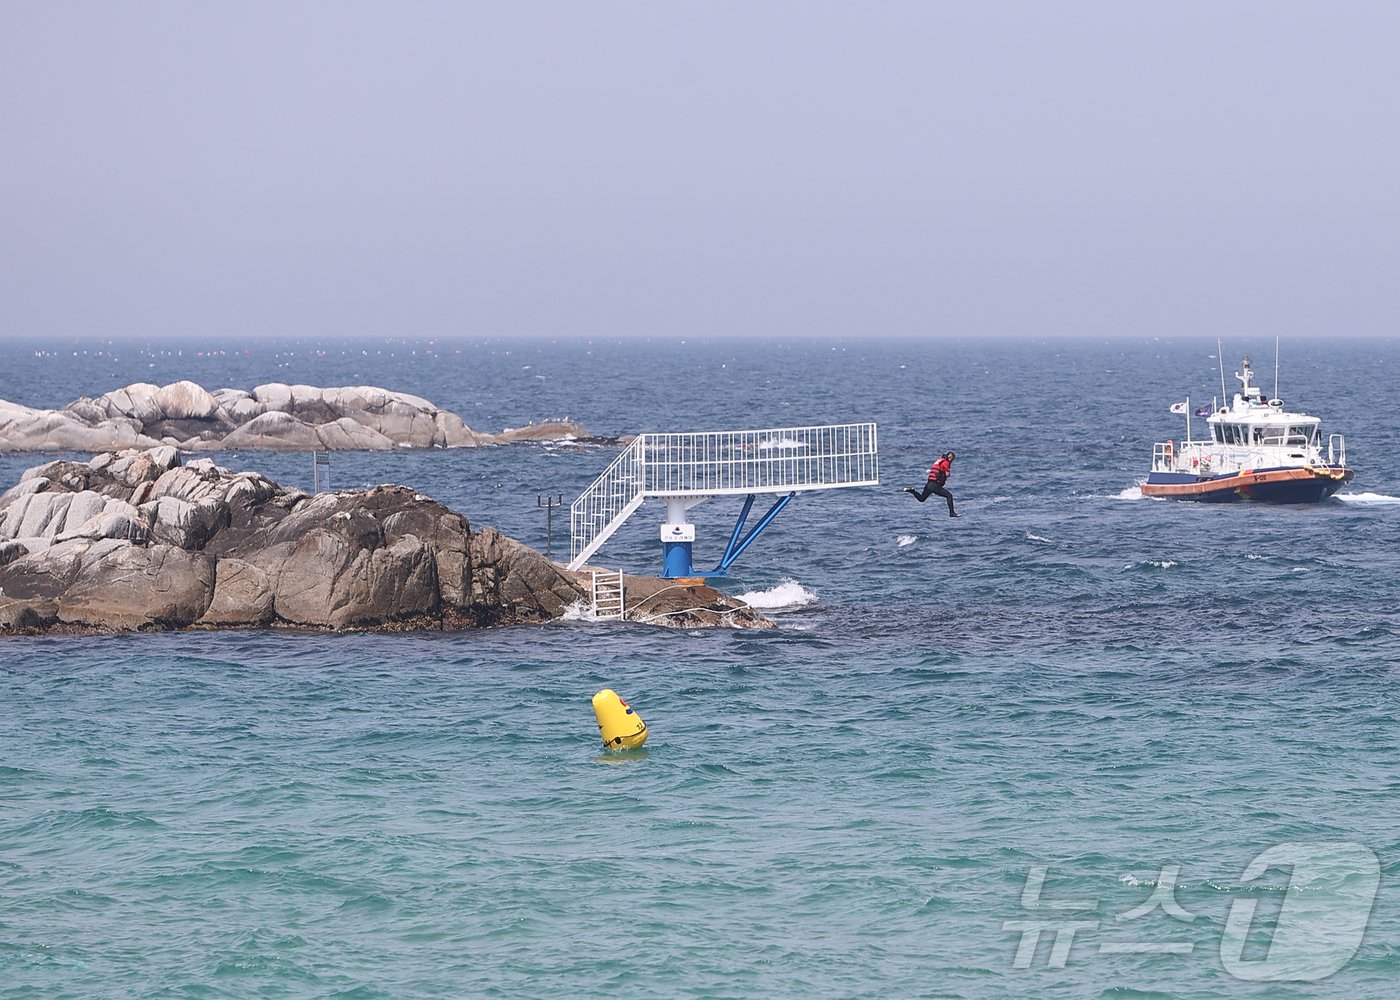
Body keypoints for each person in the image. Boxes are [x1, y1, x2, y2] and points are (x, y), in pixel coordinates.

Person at [902, 451, 959, 516]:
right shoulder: (946, 463)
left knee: (921, 499)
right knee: (949, 496)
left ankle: (912, 491)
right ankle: (952, 513)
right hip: (935, 485)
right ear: (949, 457)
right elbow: (947, 474)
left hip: (929, 484)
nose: (951, 461)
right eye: (952, 459)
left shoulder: (939, 460)